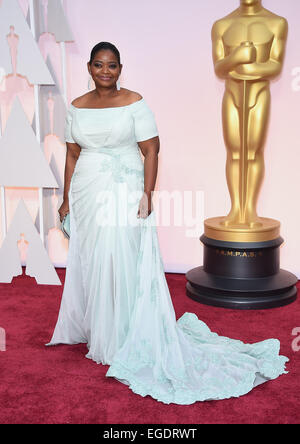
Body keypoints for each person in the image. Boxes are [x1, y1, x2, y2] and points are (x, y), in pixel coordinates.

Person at [46, 41, 288, 405]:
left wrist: (147, 193)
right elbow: (72, 153)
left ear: (121, 68)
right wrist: (65, 198)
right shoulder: (77, 107)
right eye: (99, 65)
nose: (106, 71)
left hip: (125, 188)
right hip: (86, 191)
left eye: (112, 65)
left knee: (122, 255)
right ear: (90, 68)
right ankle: (102, 328)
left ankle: (125, 336)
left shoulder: (135, 102)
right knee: (95, 258)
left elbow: (152, 148)